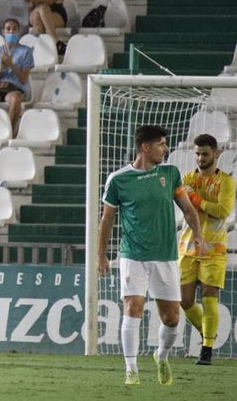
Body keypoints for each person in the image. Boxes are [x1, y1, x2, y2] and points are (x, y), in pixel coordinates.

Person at [97, 124, 205, 385]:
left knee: (172, 318)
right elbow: (106, 220)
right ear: (146, 147)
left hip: (166, 255)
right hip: (133, 254)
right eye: (161, 144)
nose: (165, 149)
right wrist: (101, 254)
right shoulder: (118, 180)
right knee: (132, 307)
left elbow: (189, 210)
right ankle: (131, 369)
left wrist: (199, 235)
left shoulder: (170, 173)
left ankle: (162, 356)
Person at [177, 134, 235, 366]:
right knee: (185, 300)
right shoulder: (188, 177)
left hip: (214, 248)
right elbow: (184, 204)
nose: (200, 158)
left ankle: (207, 349)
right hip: (188, 247)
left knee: (210, 299)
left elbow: (222, 211)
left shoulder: (227, 182)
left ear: (217, 154)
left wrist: (195, 199)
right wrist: (196, 200)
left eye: (205, 154)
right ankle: (206, 333)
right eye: (198, 153)